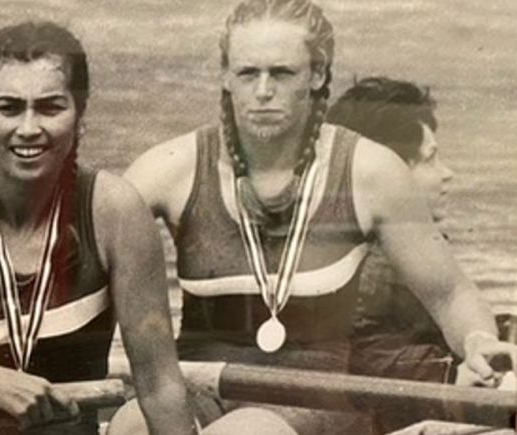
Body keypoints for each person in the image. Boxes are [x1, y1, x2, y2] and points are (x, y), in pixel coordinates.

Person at [118, 0, 517, 433]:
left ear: (318, 75)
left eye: (282, 73)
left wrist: (477, 339)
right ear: (225, 76)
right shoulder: (168, 169)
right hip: (198, 386)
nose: (263, 91)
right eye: (248, 73)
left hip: (318, 401)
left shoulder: (371, 172)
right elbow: (89, 264)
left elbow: (450, 294)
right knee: (131, 425)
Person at [0, 21, 197, 434]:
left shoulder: (114, 211)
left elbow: (159, 385)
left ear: (80, 114)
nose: (28, 128)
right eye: (10, 108)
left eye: (50, 107)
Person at [327, 77, 457, 384]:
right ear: (388, 171)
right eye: (430, 159)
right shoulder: (379, 266)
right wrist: (449, 373)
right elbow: (360, 355)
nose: (447, 173)